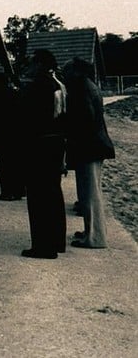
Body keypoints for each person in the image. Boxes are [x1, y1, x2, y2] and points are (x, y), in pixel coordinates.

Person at [19, 49, 67, 259]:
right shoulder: (58, 84)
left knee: (38, 197)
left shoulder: (38, 86)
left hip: (38, 146)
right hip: (56, 144)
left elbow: (27, 119)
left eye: (32, 63)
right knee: (53, 194)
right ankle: (56, 241)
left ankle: (42, 246)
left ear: (39, 64)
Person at [62, 57, 115, 248]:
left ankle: (95, 238)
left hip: (89, 146)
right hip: (94, 146)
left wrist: (65, 125)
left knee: (90, 194)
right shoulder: (88, 85)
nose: (64, 74)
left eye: (67, 71)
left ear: (76, 71)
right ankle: (90, 232)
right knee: (89, 193)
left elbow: (84, 119)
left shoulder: (81, 88)